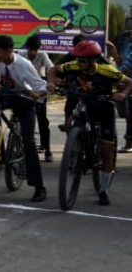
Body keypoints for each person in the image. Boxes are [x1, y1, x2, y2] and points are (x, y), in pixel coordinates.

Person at [47, 39, 132, 206]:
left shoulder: (107, 71)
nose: (78, 62)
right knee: (72, 120)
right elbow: (53, 70)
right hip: (85, 102)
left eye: (82, 60)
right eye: (77, 59)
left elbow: (129, 82)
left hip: (104, 107)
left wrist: (123, 94)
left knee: (107, 153)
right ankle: (76, 146)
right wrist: (51, 81)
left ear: (93, 60)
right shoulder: (74, 66)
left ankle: (103, 190)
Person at [0, 35, 48, 202]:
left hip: (25, 99)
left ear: (9, 51)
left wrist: (38, 94)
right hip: (6, 95)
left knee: (28, 142)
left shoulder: (23, 64)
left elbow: (41, 86)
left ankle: (39, 187)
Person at [20, 35, 55, 161]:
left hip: (39, 86)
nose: (32, 52)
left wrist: (51, 82)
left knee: (42, 120)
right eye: (31, 49)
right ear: (27, 48)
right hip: (24, 86)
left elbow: (51, 68)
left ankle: (47, 149)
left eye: (35, 49)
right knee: (21, 119)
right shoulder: (21, 55)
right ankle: (20, 147)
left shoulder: (42, 55)